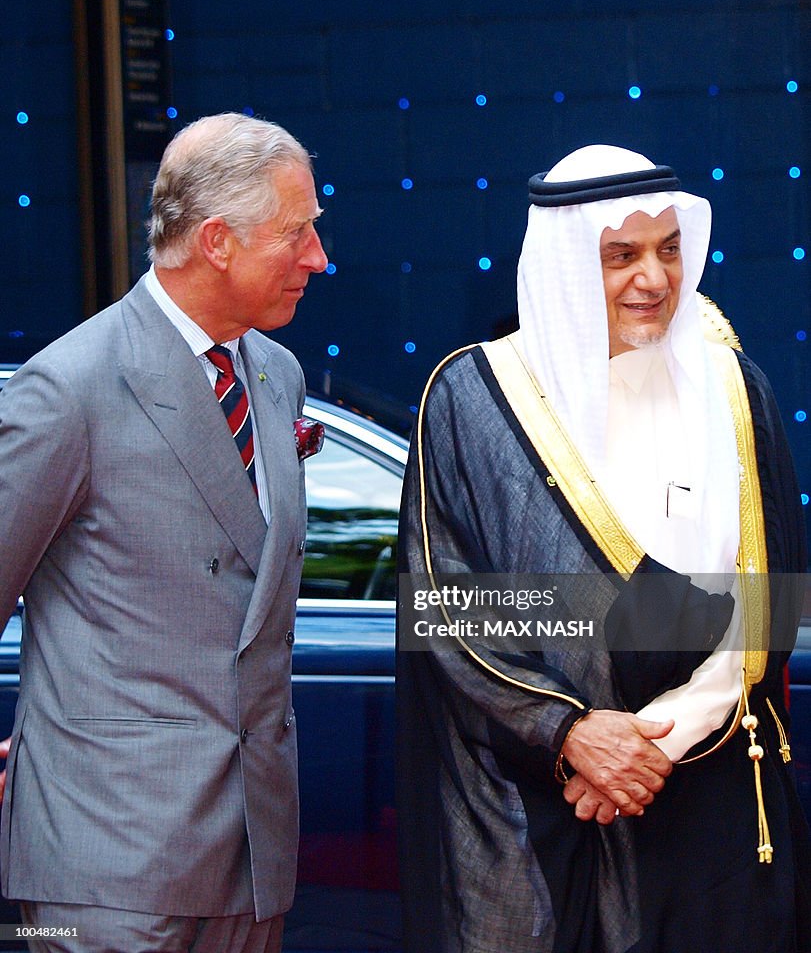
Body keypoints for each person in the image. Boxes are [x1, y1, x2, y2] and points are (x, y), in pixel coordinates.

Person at [397, 145, 811, 953]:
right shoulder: (473, 399)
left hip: (708, 784)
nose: (653, 279)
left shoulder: (729, 384)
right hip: (543, 793)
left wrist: (661, 734)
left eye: (667, 249)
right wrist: (572, 733)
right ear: (562, 268)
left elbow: (767, 591)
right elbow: (450, 605)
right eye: (621, 255)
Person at [0, 112, 328, 952]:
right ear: (217, 240)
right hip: (106, 856)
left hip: (252, 854)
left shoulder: (277, 374)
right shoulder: (68, 388)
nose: (317, 259)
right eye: (297, 233)